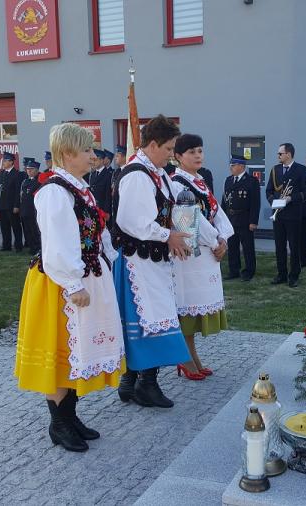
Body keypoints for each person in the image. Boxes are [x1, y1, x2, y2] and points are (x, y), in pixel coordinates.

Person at [14, 122, 124, 453]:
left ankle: (70, 417)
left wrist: (110, 261)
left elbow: (97, 232)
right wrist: (74, 283)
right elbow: (58, 243)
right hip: (60, 284)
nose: (93, 155)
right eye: (86, 150)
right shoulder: (54, 192)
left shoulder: (79, 188)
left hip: (84, 275)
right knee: (61, 351)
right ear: (67, 154)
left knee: (78, 352)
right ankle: (59, 424)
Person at [111, 114, 193, 409]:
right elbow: (132, 221)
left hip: (152, 260)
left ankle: (132, 382)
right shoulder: (137, 175)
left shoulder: (157, 173)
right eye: (169, 148)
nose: (172, 154)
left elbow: (174, 206)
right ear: (154, 144)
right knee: (150, 320)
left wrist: (184, 233)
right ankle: (145, 384)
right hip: (138, 261)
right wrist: (167, 235)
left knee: (152, 318)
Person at [169, 134, 234, 380]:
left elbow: (218, 213)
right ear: (178, 156)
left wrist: (223, 238)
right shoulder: (177, 184)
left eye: (200, 150)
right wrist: (216, 241)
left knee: (195, 310)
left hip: (207, 254)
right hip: (190, 255)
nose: (198, 155)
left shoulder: (200, 181)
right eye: (191, 152)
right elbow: (191, 221)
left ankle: (192, 357)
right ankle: (186, 359)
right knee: (187, 308)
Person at [265, 142, 306, 287]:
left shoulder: (300, 169)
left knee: (294, 246)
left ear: (288, 154)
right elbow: (269, 190)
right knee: (279, 246)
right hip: (278, 214)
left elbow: (305, 192)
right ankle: (281, 274)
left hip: (293, 214)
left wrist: (290, 198)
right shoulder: (275, 169)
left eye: (280, 153)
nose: (278, 156)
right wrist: (273, 201)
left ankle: (294, 275)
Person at [222, 155, 260, 281]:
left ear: (241, 166)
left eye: (233, 165)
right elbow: (225, 200)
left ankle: (249, 271)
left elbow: (255, 203)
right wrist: (223, 218)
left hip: (245, 218)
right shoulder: (228, 180)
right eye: (231, 165)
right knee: (232, 246)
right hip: (231, 218)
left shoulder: (251, 181)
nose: (231, 168)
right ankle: (234, 270)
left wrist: (253, 221)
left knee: (247, 247)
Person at [0, 151, 23, 252]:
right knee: (4, 227)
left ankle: (18, 246)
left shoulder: (16, 174)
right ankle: (6, 245)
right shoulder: (0, 174)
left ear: (11, 162)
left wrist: (16, 205)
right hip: (2, 205)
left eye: (5, 161)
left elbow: (18, 191)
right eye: (3, 160)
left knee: (15, 226)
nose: (3, 162)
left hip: (11, 205)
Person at [19, 158, 41, 254]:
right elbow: (21, 196)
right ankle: (32, 248)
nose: (29, 171)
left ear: (36, 170)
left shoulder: (39, 181)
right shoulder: (25, 181)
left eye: (31, 169)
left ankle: (38, 248)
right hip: (25, 210)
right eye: (28, 169)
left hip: (34, 210)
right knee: (27, 230)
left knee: (35, 230)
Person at [87, 149, 113, 214]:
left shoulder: (108, 174)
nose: (93, 162)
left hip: (102, 209)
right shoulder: (92, 174)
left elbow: (108, 195)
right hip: (93, 208)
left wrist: (107, 212)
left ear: (101, 160)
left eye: (95, 160)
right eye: (93, 160)